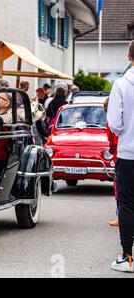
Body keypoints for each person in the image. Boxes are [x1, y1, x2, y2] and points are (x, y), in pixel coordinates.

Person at [107, 40, 134, 273]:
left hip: (129, 153)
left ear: (129, 56)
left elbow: (115, 124)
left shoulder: (121, 84)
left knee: (126, 204)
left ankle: (127, 256)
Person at [104, 98, 119, 228]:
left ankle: (121, 217)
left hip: (121, 156)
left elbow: (112, 141)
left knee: (119, 189)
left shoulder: (112, 121)